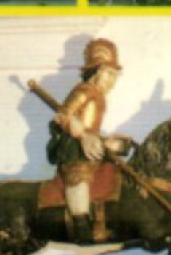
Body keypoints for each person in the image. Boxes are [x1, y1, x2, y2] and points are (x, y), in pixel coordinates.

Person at [48, 38, 129, 242]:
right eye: (109, 74)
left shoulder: (99, 96)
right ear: (95, 71)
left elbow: (90, 126)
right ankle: (80, 222)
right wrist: (83, 136)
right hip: (72, 146)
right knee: (78, 173)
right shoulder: (83, 90)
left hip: (87, 142)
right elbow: (63, 116)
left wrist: (104, 141)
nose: (112, 80)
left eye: (115, 76)